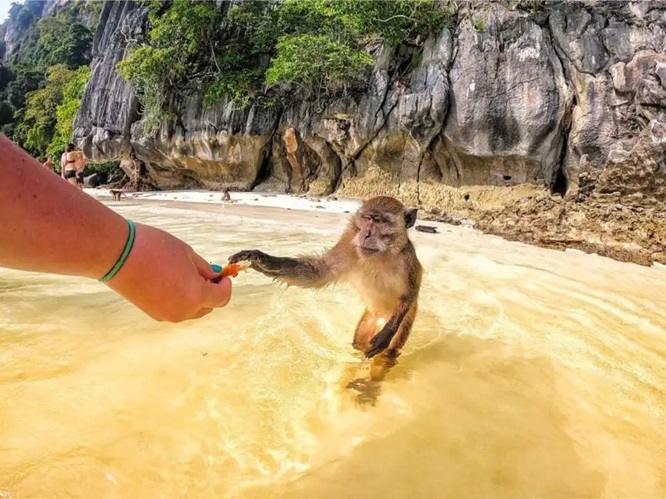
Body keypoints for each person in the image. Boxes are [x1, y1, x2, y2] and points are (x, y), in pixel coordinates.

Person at [0, 134, 232, 322]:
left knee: (74, 189)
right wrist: (128, 255)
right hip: (77, 192)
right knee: (76, 189)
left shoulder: (64, 157)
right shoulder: (73, 155)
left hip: (65, 181)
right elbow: (79, 165)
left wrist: (125, 254)